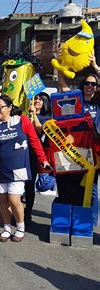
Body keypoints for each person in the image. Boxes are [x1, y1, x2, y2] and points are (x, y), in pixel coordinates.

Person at [0, 95, 50, 242]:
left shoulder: (22, 121)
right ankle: (7, 228)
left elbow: (34, 141)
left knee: (14, 199)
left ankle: (20, 227)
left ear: (9, 108)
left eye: (0, 107)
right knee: (3, 201)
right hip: (1, 169)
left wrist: (43, 159)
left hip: (18, 168)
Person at [58, 72, 99, 226]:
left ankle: (91, 223)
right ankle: (75, 219)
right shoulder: (76, 100)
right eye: (87, 83)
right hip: (76, 151)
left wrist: (95, 67)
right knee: (76, 187)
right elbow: (63, 85)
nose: (90, 86)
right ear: (83, 85)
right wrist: (60, 67)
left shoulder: (98, 103)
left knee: (93, 189)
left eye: (93, 84)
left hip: (94, 152)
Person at [24, 92, 51, 223]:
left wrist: (34, 114)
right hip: (22, 152)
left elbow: (40, 131)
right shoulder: (25, 113)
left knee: (29, 185)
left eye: (41, 99)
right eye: (36, 98)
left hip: (34, 155)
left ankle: (27, 212)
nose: (37, 101)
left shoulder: (47, 117)